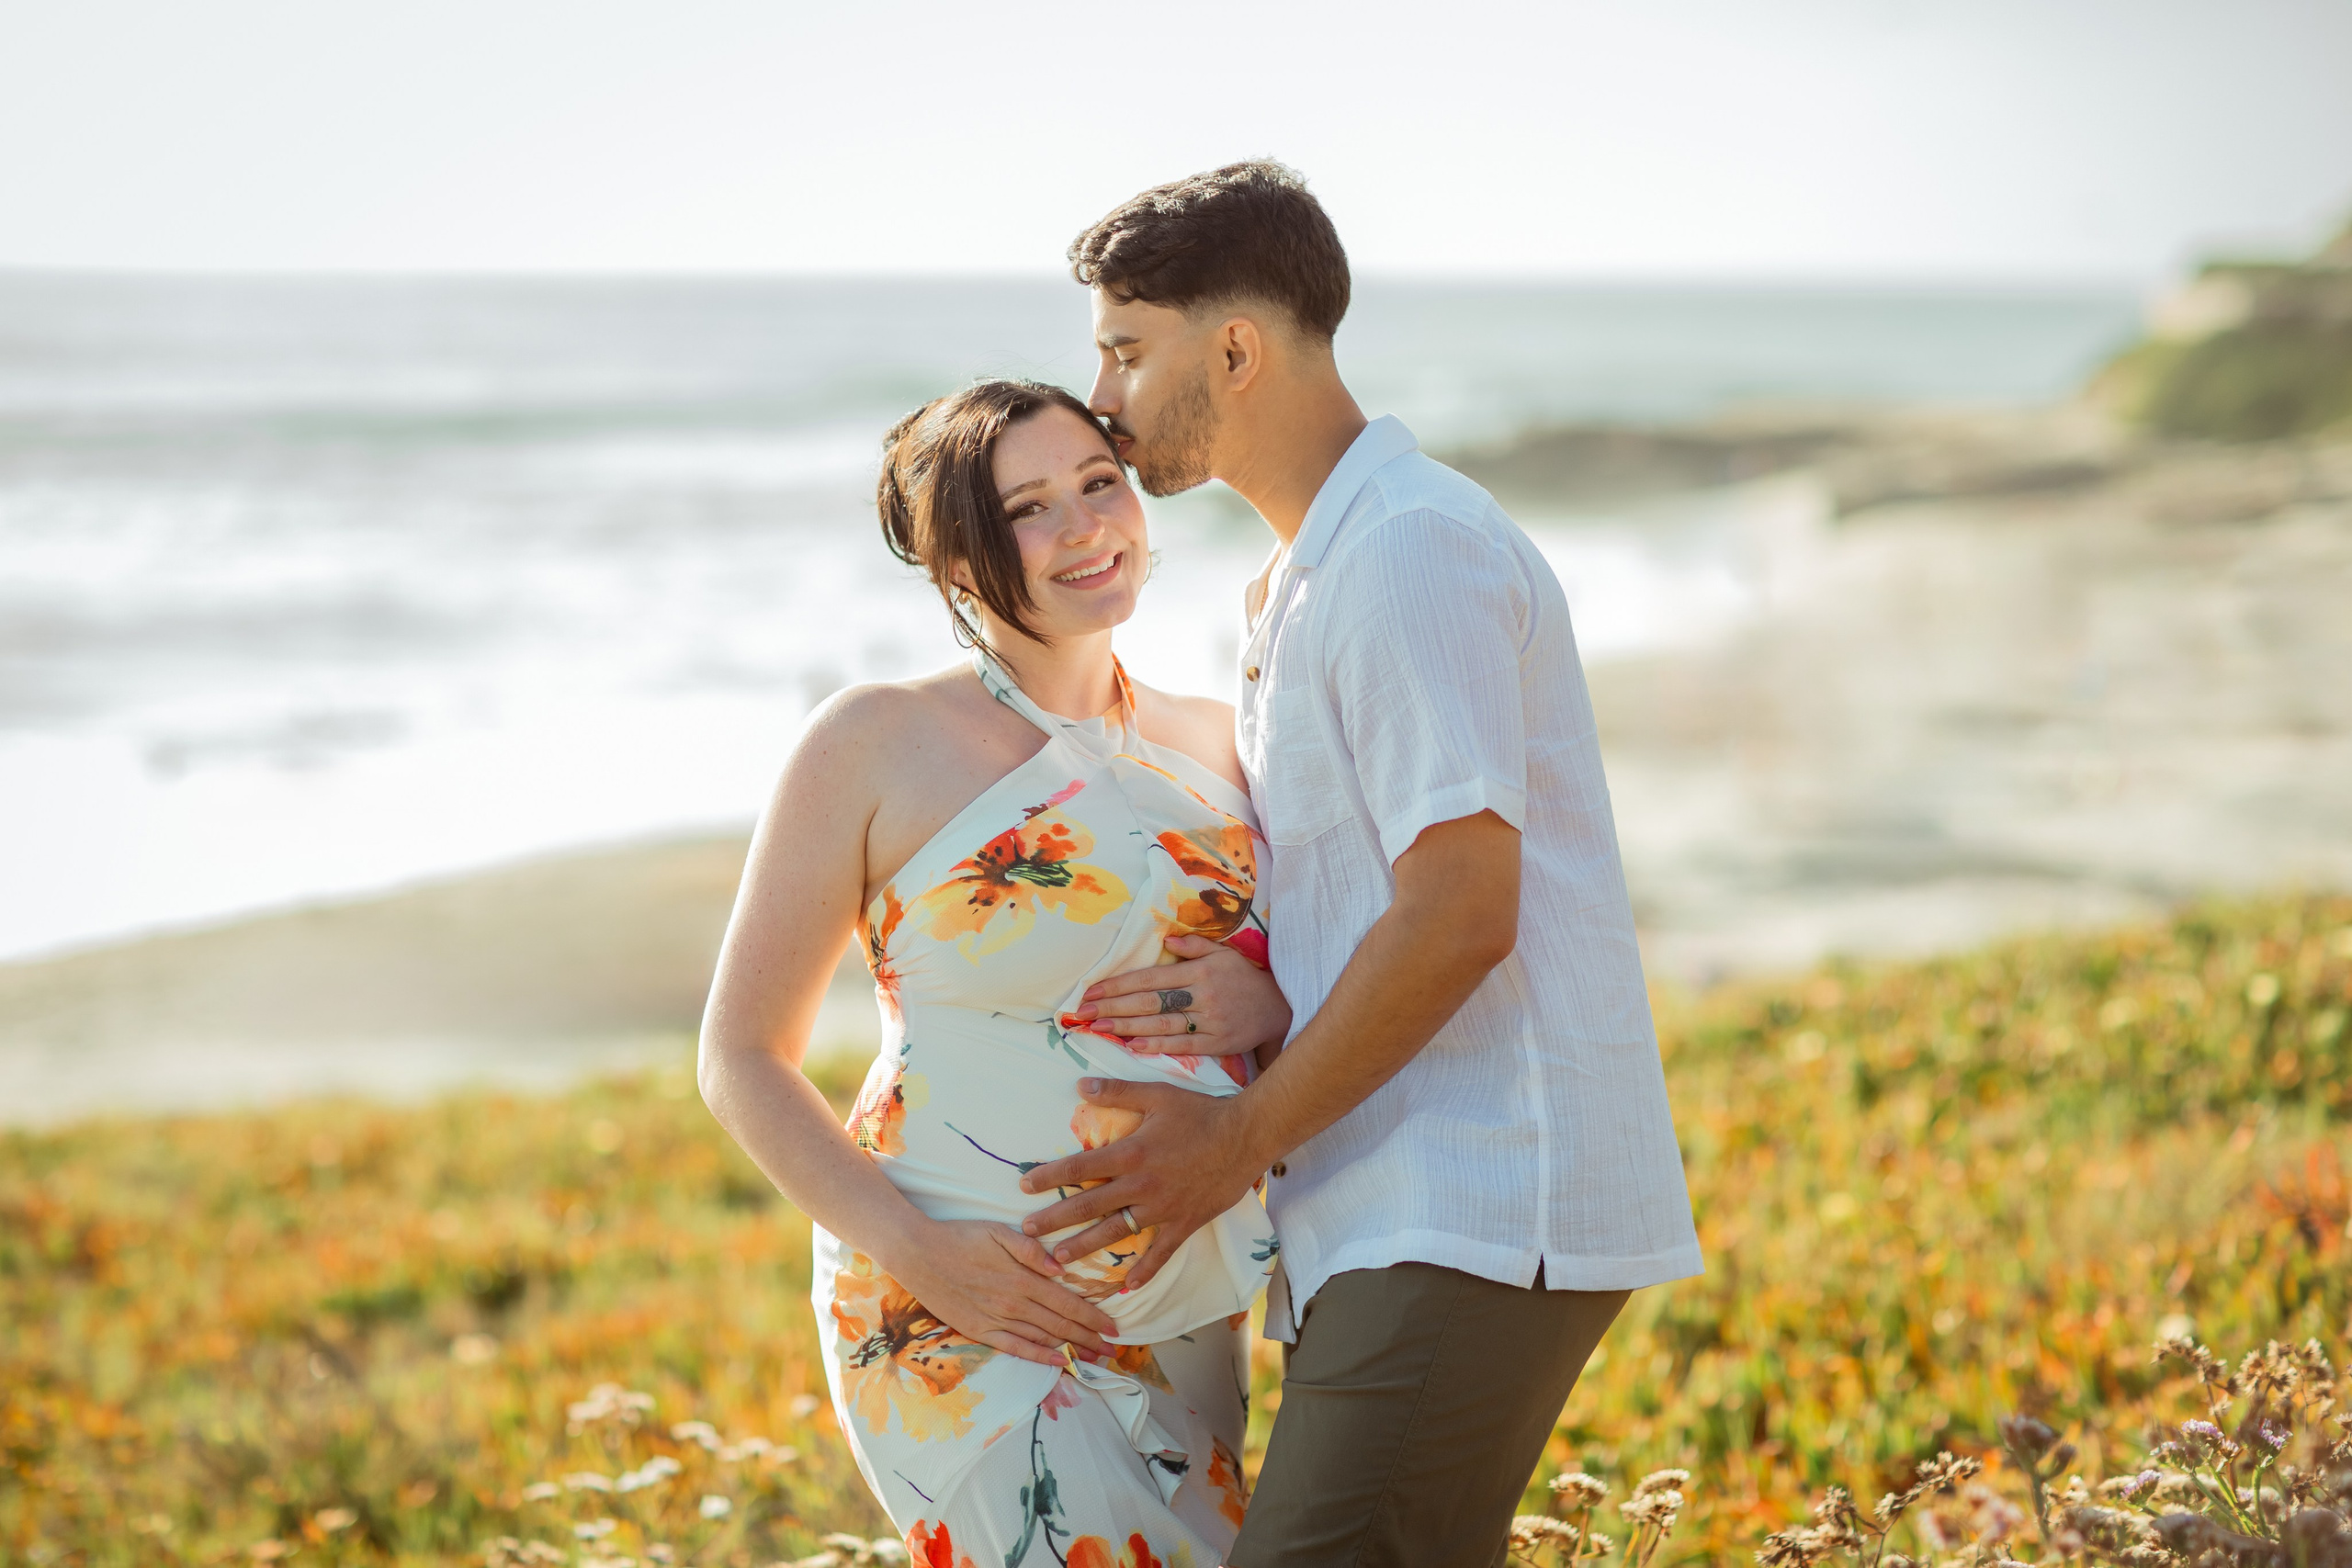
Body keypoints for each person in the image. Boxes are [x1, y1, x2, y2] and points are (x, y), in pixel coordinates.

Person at [1013, 162, 1705, 1568]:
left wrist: (1228, 1148)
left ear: (1237, 350)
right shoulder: (1310, 574)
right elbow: (1393, 891)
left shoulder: (1402, 552)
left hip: (1474, 1197)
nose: (1102, 394)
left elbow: (1462, 913)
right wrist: (1274, 991)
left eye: (1126, 350)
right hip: (1399, 1205)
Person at [697, 379, 1295, 1567]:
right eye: (1029, 508)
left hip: (1185, 1289)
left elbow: (1319, 976)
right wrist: (924, 1258)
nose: (1086, 527)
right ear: (957, 562)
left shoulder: (1224, 735)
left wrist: (1271, 1001)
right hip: (955, 1295)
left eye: (1098, 483)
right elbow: (739, 1059)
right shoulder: (871, 740)